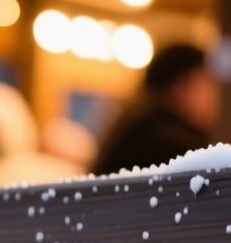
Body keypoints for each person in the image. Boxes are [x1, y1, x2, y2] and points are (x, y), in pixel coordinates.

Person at [91, 43, 219, 175]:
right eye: (207, 85)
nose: (214, 97)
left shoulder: (138, 127)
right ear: (182, 85)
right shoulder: (169, 143)